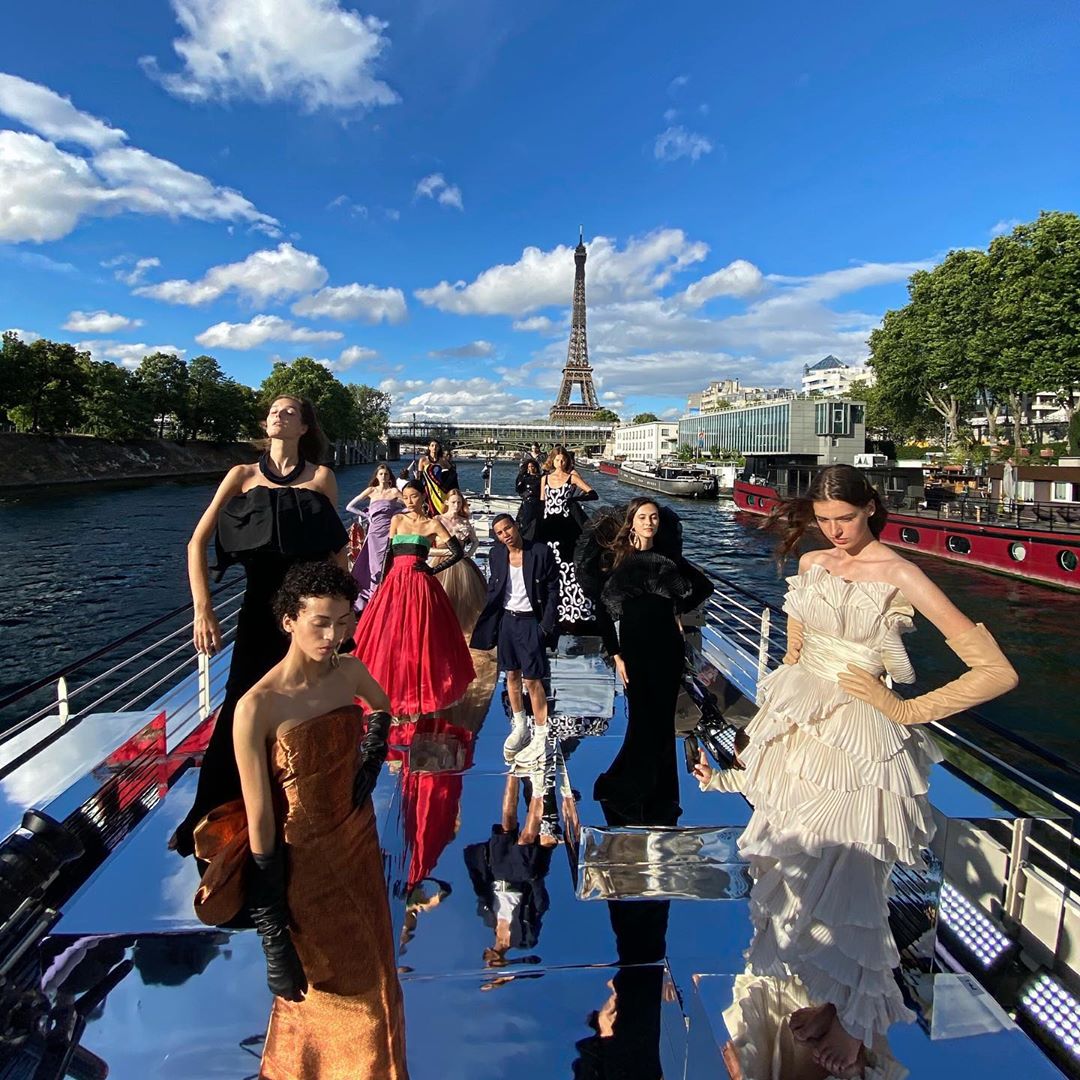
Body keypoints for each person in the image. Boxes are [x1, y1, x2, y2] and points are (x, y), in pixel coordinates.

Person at [693, 464, 1018, 1075]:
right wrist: (764, 734)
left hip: (862, 737)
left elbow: (997, 672)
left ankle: (854, 1018)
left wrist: (906, 709)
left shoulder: (901, 574)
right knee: (794, 862)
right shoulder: (811, 562)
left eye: (845, 518)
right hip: (801, 731)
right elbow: (793, 656)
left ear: (870, 507)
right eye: (823, 520)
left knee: (853, 873)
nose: (835, 530)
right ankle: (825, 997)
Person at [191, 561, 408, 1078]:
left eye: (344, 622)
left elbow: (381, 707)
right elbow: (260, 817)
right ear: (289, 620)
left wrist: (371, 757)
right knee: (326, 979)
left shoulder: (349, 672)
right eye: (321, 623)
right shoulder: (257, 706)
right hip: (303, 862)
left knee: (378, 964)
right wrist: (271, 928)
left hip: (357, 840)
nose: (334, 636)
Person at [171, 396, 348, 859]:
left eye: (289, 411)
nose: (277, 415)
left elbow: (336, 551)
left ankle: (301, 806)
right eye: (273, 411)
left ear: (304, 426)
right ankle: (221, 810)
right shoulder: (242, 475)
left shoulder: (321, 478)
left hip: (308, 612)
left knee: (306, 705)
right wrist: (203, 609)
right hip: (257, 610)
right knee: (241, 705)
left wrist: (341, 616)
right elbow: (196, 542)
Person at [576, 498, 713, 826]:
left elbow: (703, 587)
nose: (649, 522)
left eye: (653, 517)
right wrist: (616, 654)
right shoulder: (617, 561)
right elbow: (602, 612)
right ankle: (628, 784)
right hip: (635, 647)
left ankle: (663, 794)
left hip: (668, 646)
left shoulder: (669, 559)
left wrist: (676, 609)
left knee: (663, 721)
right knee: (641, 719)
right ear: (632, 523)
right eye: (642, 517)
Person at [352, 480, 475, 714]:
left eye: (414, 496)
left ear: (423, 497)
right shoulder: (397, 520)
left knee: (419, 635)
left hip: (420, 584)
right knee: (389, 635)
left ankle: (416, 692)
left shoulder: (433, 524)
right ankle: (384, 690)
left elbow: (457, 552)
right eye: (406, 497)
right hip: (394, 583)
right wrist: (380, 585)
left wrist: (432, 570)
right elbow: (388, 555)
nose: (409, 501)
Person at [470, 514, 559, 768]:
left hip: (532, 622)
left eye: (507, 528)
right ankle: (520, 726)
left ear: (516, 526)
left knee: (533, 680)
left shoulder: (539, 552)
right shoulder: (497, 555)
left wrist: (545, 626)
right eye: (499, 532)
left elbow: (553, 588)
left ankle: (541, 735)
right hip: (508, 621)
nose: (505, 535)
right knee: (511, 675)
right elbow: (494, 587)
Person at [538, 446, 598, 627]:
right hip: (548, 526)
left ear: (567, 461)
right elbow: (542, 503)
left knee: (569, 563)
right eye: (558, 460)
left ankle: (573, 607)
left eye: (563, 460)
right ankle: (550, 607)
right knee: (549, 564)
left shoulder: (572, 478)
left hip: (566, 526)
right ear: (552, 460)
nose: (561, 463)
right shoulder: (545, 479)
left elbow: (592, 494)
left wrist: (574, 499)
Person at [429, 488, 487, 637]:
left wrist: (469, 553)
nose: (456, 505)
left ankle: (460, 630)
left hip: (462, 565)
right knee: (442, 596)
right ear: (447, 502)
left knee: (465, 598)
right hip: (441, 563)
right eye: (454, 502)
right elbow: (427, 548)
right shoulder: (437, 520)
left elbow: (475, 541)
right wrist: (446, 553)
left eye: (459, 502)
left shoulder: (464, 521)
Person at [345, 463, 403, 611]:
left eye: (386, 474)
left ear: (390, 477)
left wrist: (396, 515)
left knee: (388, 563)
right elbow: (349, 506)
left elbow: (409, 506)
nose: (383, 476)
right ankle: (374, 597)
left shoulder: (394, 491)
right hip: (373, 533)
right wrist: (367, 515)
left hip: (389, 532)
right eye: (381, 474)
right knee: (374, 565)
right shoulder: (371, 490)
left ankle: (387, 595)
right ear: (376, 476)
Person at [417, 439, 449, 515]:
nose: (434, 447)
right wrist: (418, 490)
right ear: (429, 447)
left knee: (442, 510)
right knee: (429, 510)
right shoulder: (423, 460)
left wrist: (447, 483)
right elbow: (419, 477)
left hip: (440, 489)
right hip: (428, 489)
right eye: (432, 445)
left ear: (439, 448)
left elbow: (451, 472)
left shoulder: (442, 460)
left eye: (436, 446)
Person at [515, 458, 542, 541]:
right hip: (527, 502)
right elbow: (519, 489)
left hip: (538, 502)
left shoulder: (541, 478)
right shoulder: (524, 478)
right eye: (529, 467)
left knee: (537, 522)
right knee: (526, 521)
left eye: (532, 466)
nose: (531, 468)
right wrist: (525, 494)